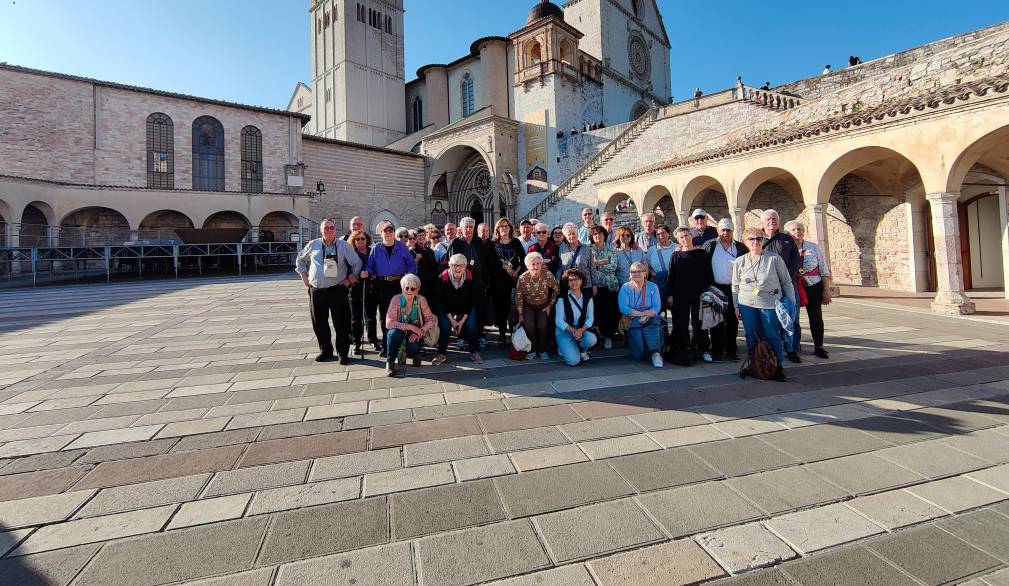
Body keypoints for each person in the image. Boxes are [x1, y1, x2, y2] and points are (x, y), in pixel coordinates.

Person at [296, 219, 362, 364]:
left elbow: (357, 263)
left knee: (342, 323)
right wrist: (304, 277)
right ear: (321, 230)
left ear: (335, 229)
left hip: (337, 290)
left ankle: (343, 353)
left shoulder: (343, 246)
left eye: (331, 227)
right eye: (326, 228)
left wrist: (350, 279)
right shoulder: (313, 245)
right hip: (317, 291)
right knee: (319, 322)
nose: (329, 230)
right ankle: (326, 351)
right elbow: (300, 259)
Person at [732, 227, 795, 382]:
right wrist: (736, 305)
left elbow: (786, 281)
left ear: (763, 240)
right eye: (751, 239)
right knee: (751, 335)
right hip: (746, 303)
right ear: (746, 242)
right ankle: (756, 365)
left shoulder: (774, 259)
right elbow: (735, 285)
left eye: (759, 238)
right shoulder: (740, 261)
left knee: (772, 334)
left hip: (769, 303)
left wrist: (791, 302)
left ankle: (776, 366)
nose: (755, 242)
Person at [361, 221, 417, 357]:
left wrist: (409, 276)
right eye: (385, 232)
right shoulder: (377, 248)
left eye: (390, 231)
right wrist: (366, 272)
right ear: (381, 234)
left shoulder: (402, 247)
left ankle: (400, 345)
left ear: (394, 233)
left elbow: (411, 264)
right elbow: (370, 265)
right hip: (381, 285)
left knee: (400, 315)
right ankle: (387, 347)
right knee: (385, 316)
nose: (388, 234)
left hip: (398, 284)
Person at [665, 227, 714, 364]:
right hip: (680, 294)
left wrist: (709, 291)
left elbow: (708, 274)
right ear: (678, 240)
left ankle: (703, 348)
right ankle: (684, 348)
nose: (685, 239)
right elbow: (671, 276)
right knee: (682, 322)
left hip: (700, 293)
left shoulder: (702, 253)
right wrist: (670, 294)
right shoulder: (676, 255)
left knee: (700, 322)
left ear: (691, 236)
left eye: (686, 235)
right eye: (681, 237)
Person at [786, 220, 833, 359]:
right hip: (794, 284)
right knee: (793, 316)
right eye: (793, 229)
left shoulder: (813, 247)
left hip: (813, 284)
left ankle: (819, 345)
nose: (797, 232)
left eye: (800, 229)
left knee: (816, 316)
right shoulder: (787, 248)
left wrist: (826, 290)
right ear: (788, 233)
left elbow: (823, 268)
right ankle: (794, 345)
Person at [703, 218, 747, 361]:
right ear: (718, 231)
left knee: (733, 321)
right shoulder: (710, 245)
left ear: (733, 231)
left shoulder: (740, 247)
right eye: (723, 230)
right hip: (715, 287)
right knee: (716, 321)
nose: (726, 233)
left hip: (734, 289)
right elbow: (701, 262)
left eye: (728, 230)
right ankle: (717, 351)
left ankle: (731, 350)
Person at [761, 209, 801, 363]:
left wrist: (786, 276)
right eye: (769, 219)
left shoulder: (786, 239)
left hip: (787, 284)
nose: (772, 221)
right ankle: (770, 348)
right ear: (763, 222)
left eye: (775, 218)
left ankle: (792, 349)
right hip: (767, 287)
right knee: (769, 318)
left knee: (792, 317)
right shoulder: (758, 239)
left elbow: (796, 259)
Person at [432, 254, 482, 365]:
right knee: (445, 327)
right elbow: (440, 302)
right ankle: (441, 354)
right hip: (447, 308)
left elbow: (472, 301)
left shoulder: (470, 277)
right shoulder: (442, 278)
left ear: (465, 266)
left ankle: (475, 351)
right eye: (454, 265)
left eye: (461, 265)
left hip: (465, 307)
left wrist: (462, 320)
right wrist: (452, 320)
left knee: (472, 325)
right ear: (449, 265)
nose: (458, 268)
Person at [383, 274, 436, 377]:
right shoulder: (396, 299)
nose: (409, 291)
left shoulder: (421, 300)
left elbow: (431, 320)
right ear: (402, 288)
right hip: (399, 331)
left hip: (415, 333)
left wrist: (421, 331)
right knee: (393, 334)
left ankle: (414, 354)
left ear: (417, 290)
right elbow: (389, 323)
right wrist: (412, 327)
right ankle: (390, 363)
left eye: (413, 288)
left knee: (414, 346)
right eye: (406, 288)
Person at [449, 217, 489, 347]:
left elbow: (484, 262)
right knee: (461, 311)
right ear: (461, 229)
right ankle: (461, 337)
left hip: (478, 283)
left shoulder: (478, 242)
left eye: (471, 227)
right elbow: (450, 264)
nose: (469, 229)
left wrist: (485, 280)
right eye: (466, 227)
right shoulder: (456, 243)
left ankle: (480, 335)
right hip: (461, 284)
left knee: (479, 311)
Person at [488, 218, 526, 346]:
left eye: (506, 226)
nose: (504, 228)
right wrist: (505, 267)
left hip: (515, 278)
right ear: (497, 229)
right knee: (502, 307)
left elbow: (523, 258)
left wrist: (516, 270)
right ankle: (502, 333)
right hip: (499, 280)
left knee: (515, 306)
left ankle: (515, 331)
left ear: (510, 228)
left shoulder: (515, 242)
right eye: (501, 226)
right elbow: (491, 262)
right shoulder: (493, 243)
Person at [515, 252, 560, 360]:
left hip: (543, 305)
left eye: (538, 263)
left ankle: (542, 350)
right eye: (533, 264)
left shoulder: (548, 275)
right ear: (528, 266)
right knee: (529, 325)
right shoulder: (522, 278)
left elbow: (556, 289)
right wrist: (520, 314)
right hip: (528, 306)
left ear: (541, 264)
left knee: (542, 325)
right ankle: (532, 349)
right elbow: (518, 296)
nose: (536, 266)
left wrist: (550, 305)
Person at [619, 261, 664, 368]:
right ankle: (646, 347)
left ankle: (655, 353)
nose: (636, 273)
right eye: (633, 271)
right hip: (632, 319)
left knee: (654, 320)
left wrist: (648, 315)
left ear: (645, 273)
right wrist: (642, 314)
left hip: (649, 318)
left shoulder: (653, 287)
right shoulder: (625, 287)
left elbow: (656, 307)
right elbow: (623, 308)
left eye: (639, 271)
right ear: (630, 274)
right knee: (638, 355)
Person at [555, 268, 597, 366]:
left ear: (581, 281)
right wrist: (574, 331)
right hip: (564, 332)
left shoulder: (588, 296)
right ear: (567, 282)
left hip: (581, 330)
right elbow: (559, 321)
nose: (574, 282)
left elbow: (590, 318)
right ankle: (563, 347)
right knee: (573, 361)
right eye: (570, 280)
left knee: (591, 339)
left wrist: (581, 330)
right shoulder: (562, 298)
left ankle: (582, 350)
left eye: (576, 279)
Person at [348, 228, 379, 355]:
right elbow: (345, 269)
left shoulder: (372, 252)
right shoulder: (350, 253)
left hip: (370, 288)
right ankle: (357, 342)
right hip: (356, 289)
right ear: (354, 241)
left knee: (371, 317)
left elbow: (378, 267)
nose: (360, 241)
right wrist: (356, 275)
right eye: (358, 239)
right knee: (356, 318)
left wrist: (370, 273)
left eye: (363, 238)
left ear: (367, 240)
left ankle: (373, 339)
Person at [588, 225, 618, 350]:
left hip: (609, 285)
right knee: (596, 311)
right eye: (595, 235)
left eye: (600, 234)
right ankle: (598, 334)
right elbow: (589, 266)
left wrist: (597, 264)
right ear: (592, 237)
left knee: (609, 311)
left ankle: (608, 336)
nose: (598, 237)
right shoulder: (589, 250)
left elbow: (613, 266)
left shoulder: (611, 249)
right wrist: (604, 262)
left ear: (604, 236)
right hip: (594, 286)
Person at [556, 223, 594, 295]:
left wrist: (594, 284)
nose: (571, 236)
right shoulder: (562, 248)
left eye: (573, 233)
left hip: (586, 285)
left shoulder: (586, 248)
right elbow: (560, 267)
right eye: (569, 234)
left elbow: (592, 267)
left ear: (577, 234)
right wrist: (557, 281)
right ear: (565, 236)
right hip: (569, 285)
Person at [412, 228, 439, 314]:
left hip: (432, 287)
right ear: (415, 238)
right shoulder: (413, 251)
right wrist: (416, 259)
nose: (421, 237)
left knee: (431, 311)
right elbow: (411, 270)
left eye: (423, 235)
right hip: (420, 287)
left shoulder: (430, 251)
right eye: (419, 236)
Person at [648, 224, 677, 293]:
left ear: (668, 233)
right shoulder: (651, 250)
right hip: (657, 284)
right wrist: (655, 275)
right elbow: (648, 266)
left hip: (675, 283)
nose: (661, 236)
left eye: (663, 233)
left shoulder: (677, 248)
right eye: (658, 234)